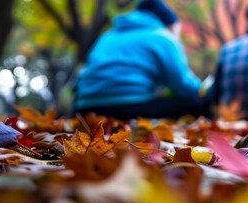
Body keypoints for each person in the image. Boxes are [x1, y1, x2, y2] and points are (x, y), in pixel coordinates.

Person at [75, 0, 206, 120]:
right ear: (170, 25)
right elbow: (183, 86)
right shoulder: (162, 36)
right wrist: (205, 91)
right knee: (197, 105)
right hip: (127, 107)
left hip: (84, 109)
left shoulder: (107, 36)